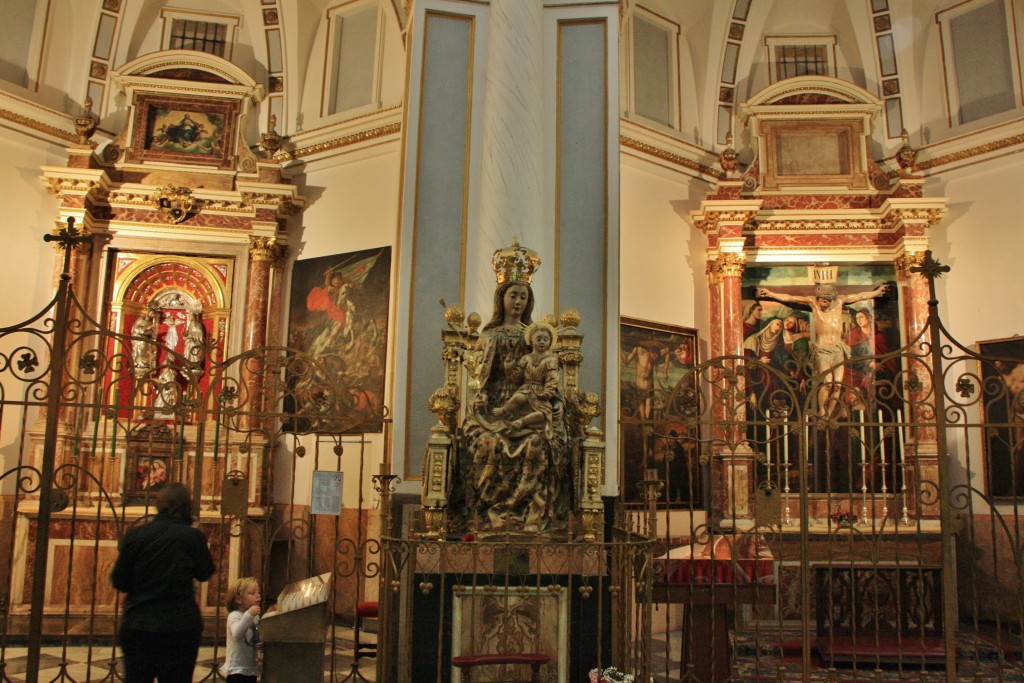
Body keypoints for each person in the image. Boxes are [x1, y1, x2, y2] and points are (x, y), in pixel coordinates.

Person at [455, 276, 572, 535]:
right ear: (501, 299)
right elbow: (479, 380)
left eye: (523, 297)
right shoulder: (490, 336)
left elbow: (551, 380)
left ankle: (530, 516)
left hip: (530, 407)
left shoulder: (534, 337)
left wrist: (557, 403)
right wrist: (480, 397)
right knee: (488, 443)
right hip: (493, 410)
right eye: (513, 295)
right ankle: (488, 515)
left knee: (539, 444)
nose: (518, 301)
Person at [111, 483, 216, 683]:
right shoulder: (192, 536)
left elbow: (119, 580)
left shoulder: (136, 534)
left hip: (138, 623)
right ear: (187, 506)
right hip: (179, 626)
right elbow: (205, 573)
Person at [756, 282, 890, 416]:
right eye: (821, 301)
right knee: (827, 382)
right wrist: (770, 294)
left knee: (837, 385)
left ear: (832, 300)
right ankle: (822, 410)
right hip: (823, 349)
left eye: (826, 301)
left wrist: (877, 293)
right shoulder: (813, 302)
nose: (823, 304)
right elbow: (790, 298)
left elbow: (859, 296)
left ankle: (829, 414)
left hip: (838, 349)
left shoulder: (839, 302)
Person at [493, 321, 563, 439]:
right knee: (517, 398)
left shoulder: (551, 360)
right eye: (539, 339)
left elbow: (552, 378)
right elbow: (515, 378)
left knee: (543, 414)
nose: (542, 342)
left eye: (545, 339)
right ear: (531, 340)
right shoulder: (526, 358)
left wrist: (548, 392)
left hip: (541, 394)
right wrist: (508, 367)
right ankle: (503, 410)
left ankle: (522, 422)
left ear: (550, 342)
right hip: (526, 389)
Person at [845, 308, 895, 409]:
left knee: (879, 386)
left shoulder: (879, 336)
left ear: (868, 318)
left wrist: (879, 364)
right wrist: (867, 363)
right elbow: (849, 356)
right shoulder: (854, 335)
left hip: (880, 370)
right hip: (857, 369)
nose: (859, 320)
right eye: (857, 318)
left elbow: (888, 358)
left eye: (861, 317)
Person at [222, 577, 261, 683]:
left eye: (258, 592)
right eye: (252, 593)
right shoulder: (234, 615)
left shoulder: (255, 617)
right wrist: (249, 614)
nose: (258, 595)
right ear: (238, 599)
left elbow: (255, 635)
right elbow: (237, 634)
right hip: (237, 669)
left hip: (250, 666)